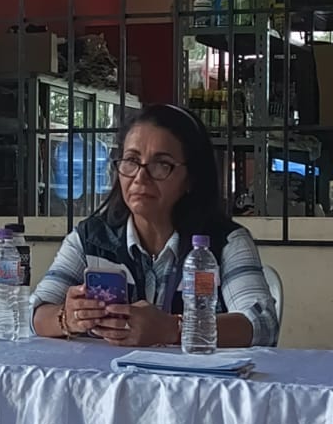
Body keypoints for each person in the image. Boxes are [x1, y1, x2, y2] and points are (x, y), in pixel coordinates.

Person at [31, 102, 278, 348]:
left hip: (194, 374)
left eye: (161, 165)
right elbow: (33, 313)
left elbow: (262, 325)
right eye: (131, 160)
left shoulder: (224, 242)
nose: (140, 177)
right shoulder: (91, 239)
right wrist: (67, 318)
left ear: (191, 178)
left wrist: (172, 329)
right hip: (105, 374)